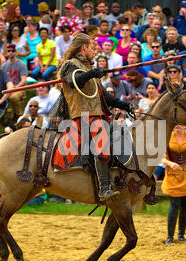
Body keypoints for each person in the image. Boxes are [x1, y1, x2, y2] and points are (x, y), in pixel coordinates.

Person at [55, 33, 133, 201]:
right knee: (102, 143)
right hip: (82, 115)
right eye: (92, 47)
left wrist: (124, 105)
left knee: (121, 133)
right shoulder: (69, 65)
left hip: (97, 115)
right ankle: (104, 189)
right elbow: (74, 81)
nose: (94, 51)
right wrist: (92, 74)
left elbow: (103, 96)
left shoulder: (88, 67)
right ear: (84, 48)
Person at [2, 44, 28, 119]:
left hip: (19, 88)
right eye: (9, 51)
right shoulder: (4, 66)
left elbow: (23, 80)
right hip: (7, 88)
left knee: (14, 97)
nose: (10, 52)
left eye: (12, 51)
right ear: (6, 53)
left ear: (16, 52)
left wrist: (15, 88)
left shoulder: (21, 64)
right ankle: (2, 118)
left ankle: (18, 116)